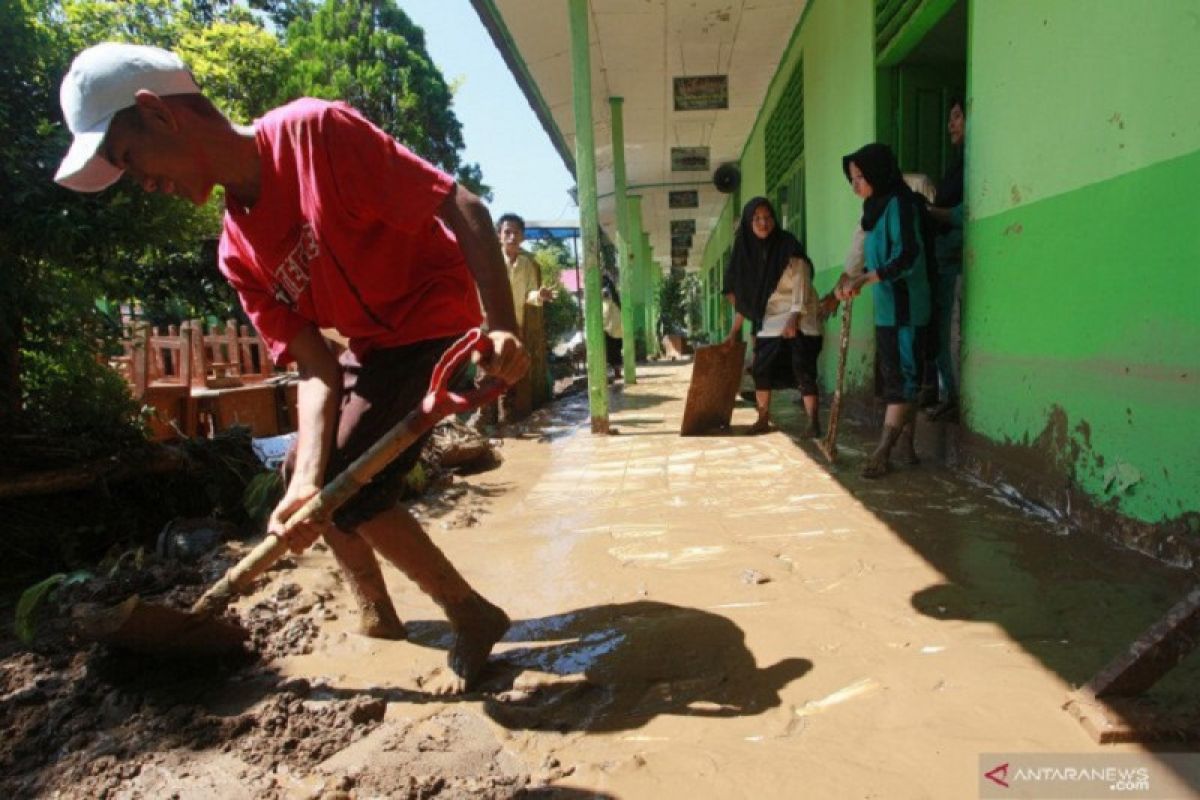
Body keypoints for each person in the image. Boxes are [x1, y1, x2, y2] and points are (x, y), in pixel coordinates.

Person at [54, 42, 529, 693]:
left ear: (158, 114)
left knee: (348, 486)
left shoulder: (316, 134)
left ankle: (471, 615)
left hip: (435, 319)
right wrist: (305, 482)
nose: (142, 182)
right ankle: (377, 611)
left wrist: (500, 324)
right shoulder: (237, 252)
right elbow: (315, 368)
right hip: (372, 346)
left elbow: (463, 207)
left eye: (127, 159)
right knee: (299, 473)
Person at [835, 143, 933, 478]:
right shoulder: (872, 212)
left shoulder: (903, 204)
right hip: (887, 309)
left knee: (902, 377)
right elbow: (862, 256)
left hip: (907, 305)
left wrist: (868, 278)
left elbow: (908, 255)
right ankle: (906, 445)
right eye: (852, 179)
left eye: (860, 177)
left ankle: (883, 450)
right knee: (897, 375)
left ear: (877, 173)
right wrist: (847, 282)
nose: (855, 185)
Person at [722, 197, 823, 436]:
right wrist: (734, 332)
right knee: (760, 368)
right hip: (772, 316)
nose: (763, 223)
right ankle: (762, 418)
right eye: (756, 219)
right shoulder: (746, 254)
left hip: (801, 309)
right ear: (748, 223)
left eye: (767, 217)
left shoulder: (787, 244)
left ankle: (813, 421)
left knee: (803, 367)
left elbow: (801, 280)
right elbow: (746, 301)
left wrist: (794, 316)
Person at [478, 212, 551, 427]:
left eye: (516, 233)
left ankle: (506, 423)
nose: (511, 236)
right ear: (499, 235)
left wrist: (539, 295)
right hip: (489, 328)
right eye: (507, 232)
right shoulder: (489, 261)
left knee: (509, 375)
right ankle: (483, 419)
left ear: (522, 237)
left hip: (514, 327)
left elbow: (529, 294)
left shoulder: (527, 265)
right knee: (485, 374)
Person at [924, 97, 966, 422]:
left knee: (948, 330)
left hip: (954, 259)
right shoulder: (956, 165)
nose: (950, 124)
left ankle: (952, 396)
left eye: (956, 117)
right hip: (941, 258)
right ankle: (944, 394)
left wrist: (929, 212)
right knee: (937, 329)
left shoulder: (972, 164)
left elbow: (965, 214)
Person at [601, 282, 624, 376]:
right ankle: (616, 372)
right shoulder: (616, 303)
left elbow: (605, 316)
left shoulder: (606, 302)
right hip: (617, 332)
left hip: (610, 331)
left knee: (610, 353)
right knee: (616, 353)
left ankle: (613, 373)